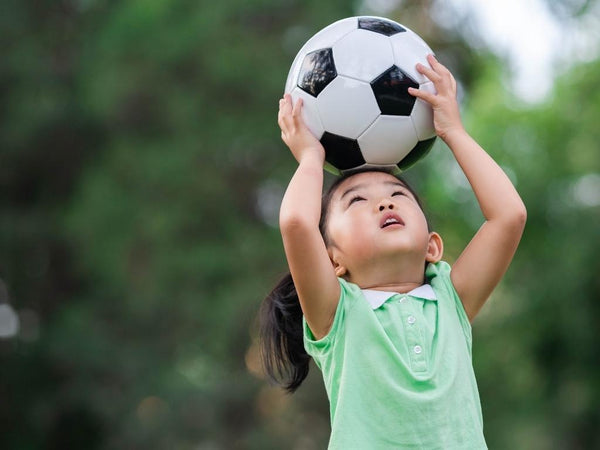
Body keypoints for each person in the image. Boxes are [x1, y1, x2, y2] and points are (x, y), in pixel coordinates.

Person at [259, 54, 527, 449]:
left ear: (432, 246)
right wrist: (310, 157)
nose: (384, 204)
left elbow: (509, 215)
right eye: (356, 201)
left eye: (398, 194)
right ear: (332, 260)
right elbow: (297, 224)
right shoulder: (338, 314)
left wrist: (455, 132)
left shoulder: (450, 299)